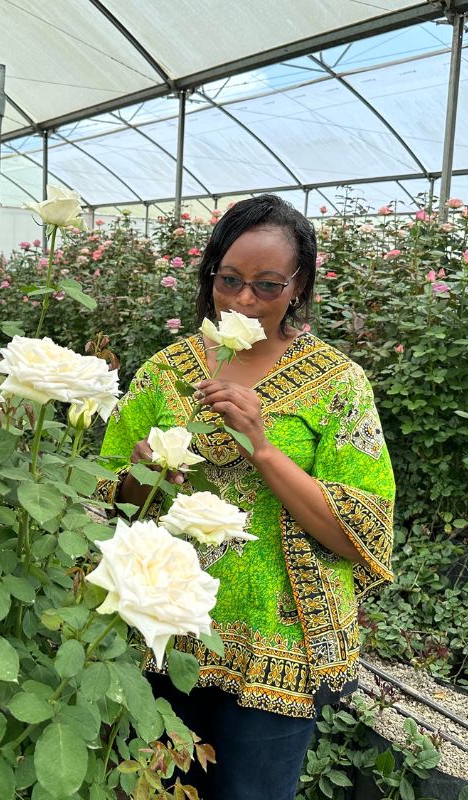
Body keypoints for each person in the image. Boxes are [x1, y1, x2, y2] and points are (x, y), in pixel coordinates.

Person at [96, 195, 395, 800]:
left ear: (300, 284)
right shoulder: (166, 372)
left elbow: (359, 531)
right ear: (211, 275)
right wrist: (142, 477)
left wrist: (263, 447)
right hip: (161, 632)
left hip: (273, 646)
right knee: (150, 788)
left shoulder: (337, 382)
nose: (244, 301)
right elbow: (106, 496)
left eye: (267, 285)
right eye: (229, 280)